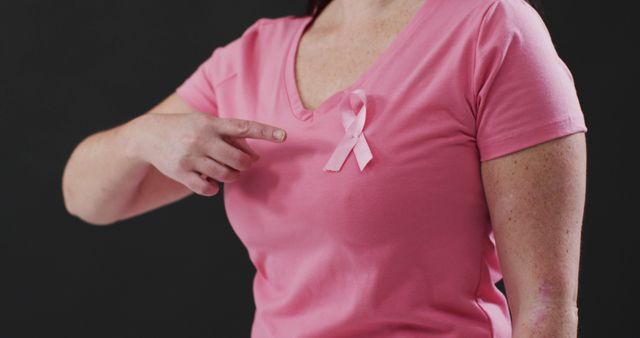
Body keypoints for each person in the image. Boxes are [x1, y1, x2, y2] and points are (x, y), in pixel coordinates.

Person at [62, 0, 588, 336]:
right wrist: (142, 137)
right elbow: (87, 199)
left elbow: (546, 307)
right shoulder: (249, 57)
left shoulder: (491, 31)